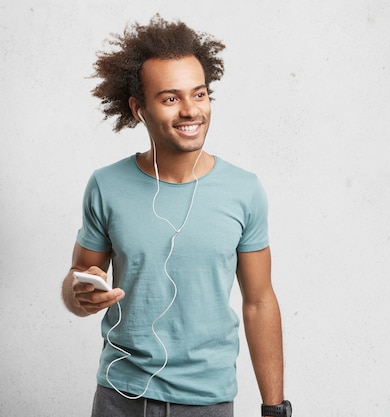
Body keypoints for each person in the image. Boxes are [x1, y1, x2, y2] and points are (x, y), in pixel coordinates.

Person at [61, 15, 291, 417]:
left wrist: (275, 408)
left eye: (199, 94)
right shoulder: (106, 186)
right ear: (138, 109)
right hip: (120, 397)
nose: (190, 111)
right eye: (170, 98)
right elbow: (79, 280)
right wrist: (80, 296)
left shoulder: (244, 190)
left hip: (208, 403)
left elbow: (259, 301)